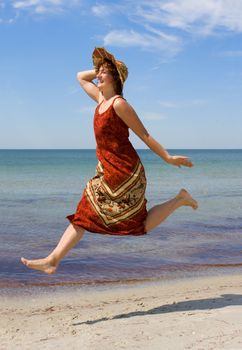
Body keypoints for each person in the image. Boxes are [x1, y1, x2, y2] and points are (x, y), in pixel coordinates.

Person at [21, 47, 198, 274]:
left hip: (126, 173)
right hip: (106, 170)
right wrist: (102, 68)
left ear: (114, 78)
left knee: (138, 224)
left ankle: (180, 199)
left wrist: (168, 157)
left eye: (103, 72)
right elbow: (79, 77)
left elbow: (145, 135)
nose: (98, 74)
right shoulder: (99, 99)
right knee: (84, 215)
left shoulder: (118, 104)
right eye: (98, 70)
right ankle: (53, 260)